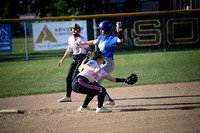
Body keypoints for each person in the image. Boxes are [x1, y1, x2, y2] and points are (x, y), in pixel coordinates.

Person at [75, 21, 124, 106]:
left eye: (102, 29)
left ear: (107, 30)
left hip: (108, 63)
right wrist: (82, 43)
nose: (101, 31)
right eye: (100, 29)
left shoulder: (112, 38)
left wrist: (119, 32)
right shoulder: (101, 38)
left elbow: (120, 40)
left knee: (95, 80)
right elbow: (93, 42)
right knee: (94, 81)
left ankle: (107, 99)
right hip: (100, 63)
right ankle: (107, 99)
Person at [58, 23, 91, 102]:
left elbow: (89, 49)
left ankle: (91, 91)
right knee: (68, 78)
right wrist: (62, 60)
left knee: (74, 79)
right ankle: (68, 97)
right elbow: (69, 50)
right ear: (71, 30)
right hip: (75, 58)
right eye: (74, 29)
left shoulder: (82, 39)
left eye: (77, 29)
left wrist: (86, 58)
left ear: (79, 30)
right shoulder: (70, 39)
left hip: (81, 58)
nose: (75, 31)